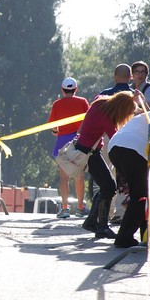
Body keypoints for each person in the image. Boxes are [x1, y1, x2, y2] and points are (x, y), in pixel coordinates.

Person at [78, 91, 141, 240]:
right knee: (109, 187)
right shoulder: (105, 117)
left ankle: (92, 221)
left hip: (89, 150)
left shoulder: (100, 103)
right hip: (89, 153)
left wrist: (135, 98)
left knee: (106, 186)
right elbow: (116, 138)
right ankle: (101, 226)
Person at [108, 110, 150, 248]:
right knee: (141, 196)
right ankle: (124, 238)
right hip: (132, 149)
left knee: (145, 193)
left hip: (115, 147)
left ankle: (145, 237)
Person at [48, 77, 90, 218]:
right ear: (75, 89)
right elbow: (89, 120)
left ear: (62, 89)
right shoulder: (83, 102)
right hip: (79, 142)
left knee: (63, 177)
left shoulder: (57, 104)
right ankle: (80, 207)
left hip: (62, 142)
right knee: (79, 175)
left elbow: (54, 127)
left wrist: (56, 132)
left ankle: (65, 208)